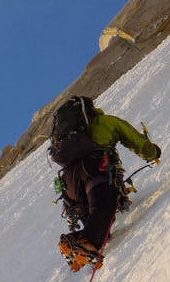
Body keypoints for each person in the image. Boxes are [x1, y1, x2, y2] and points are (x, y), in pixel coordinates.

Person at [49, 95, 161, 270]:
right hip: (95, 169)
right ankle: (85, 245)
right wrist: (153, 153)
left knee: (100, 227)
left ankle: (74, 242)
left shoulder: (68, 138)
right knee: (102, 209)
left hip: (70, 183)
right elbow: (134, 140)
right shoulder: (105, 121)